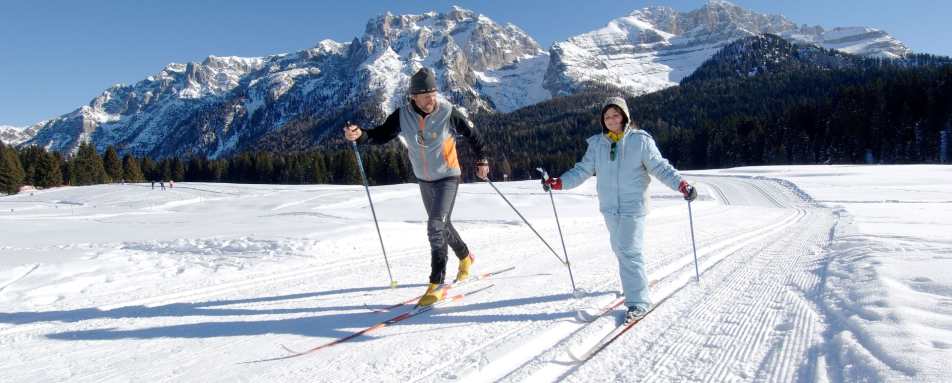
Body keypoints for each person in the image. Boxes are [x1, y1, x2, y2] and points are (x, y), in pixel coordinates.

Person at [343, 67, 491, 307]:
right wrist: (359, 135)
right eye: (425, 96)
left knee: (435, 226)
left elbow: (474, 135)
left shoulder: (448, 112)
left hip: (448, 176)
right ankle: (465, 257)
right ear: (413, 97)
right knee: (442, 225)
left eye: (433, 94)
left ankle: (437, 283)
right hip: (424, 179)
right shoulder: (402, 116)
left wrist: (482, 160)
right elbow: (380, 135)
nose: (431, 100)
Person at [541, 96, 697, 322]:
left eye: (616, 115)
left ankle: (638, 302)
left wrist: (681, 184)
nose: (612, 120)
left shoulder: (640, 141)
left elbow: (660, 167)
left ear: (625, 117)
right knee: (620, 248)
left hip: (634, 206)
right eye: (607, 116)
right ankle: (633, 285)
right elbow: (582, 170)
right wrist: (559, 182)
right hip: (609, 207)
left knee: (629, 250)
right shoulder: (597, 144)